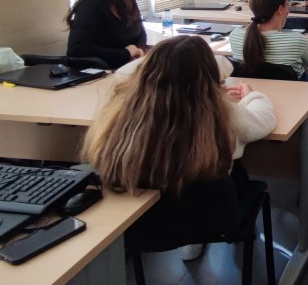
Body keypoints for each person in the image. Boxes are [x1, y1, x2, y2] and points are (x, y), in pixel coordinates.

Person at [83, 35, 277, 195]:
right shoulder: (218, 112)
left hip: (142, 221)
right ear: (207, 77)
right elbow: (263, 119)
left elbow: (123, 72)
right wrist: (250, 96)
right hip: (207, 215)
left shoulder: (122, 112)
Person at [66, 0, 147, 69]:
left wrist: (139, 49)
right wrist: (125, 54)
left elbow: (140, 31)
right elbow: (77, 49)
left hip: (129, 66)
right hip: (102, 71)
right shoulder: (91, 6)